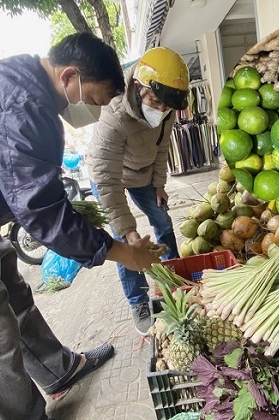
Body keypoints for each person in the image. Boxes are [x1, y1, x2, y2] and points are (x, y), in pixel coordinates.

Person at [0, 32, 161, 420]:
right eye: (93, 100)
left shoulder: (21, 86)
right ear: (69, 77)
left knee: (14, 294)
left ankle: (59, 370)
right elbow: (41, 213)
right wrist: (124, 253)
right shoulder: (23, 105)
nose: (93, 112)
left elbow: (24, 187)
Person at [86, 47, 190, 335]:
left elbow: (162, 149)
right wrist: (130, 230)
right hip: (110, 175)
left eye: (166, 106)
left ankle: (175, 278)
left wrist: (159, 185)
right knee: (125, 243)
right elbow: (106, 178)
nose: (161, 110)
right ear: (138, 87)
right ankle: (138, 301)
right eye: (155, 101)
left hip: (142, 174)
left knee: (163, 221)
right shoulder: (116, 115)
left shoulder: (166, 109)